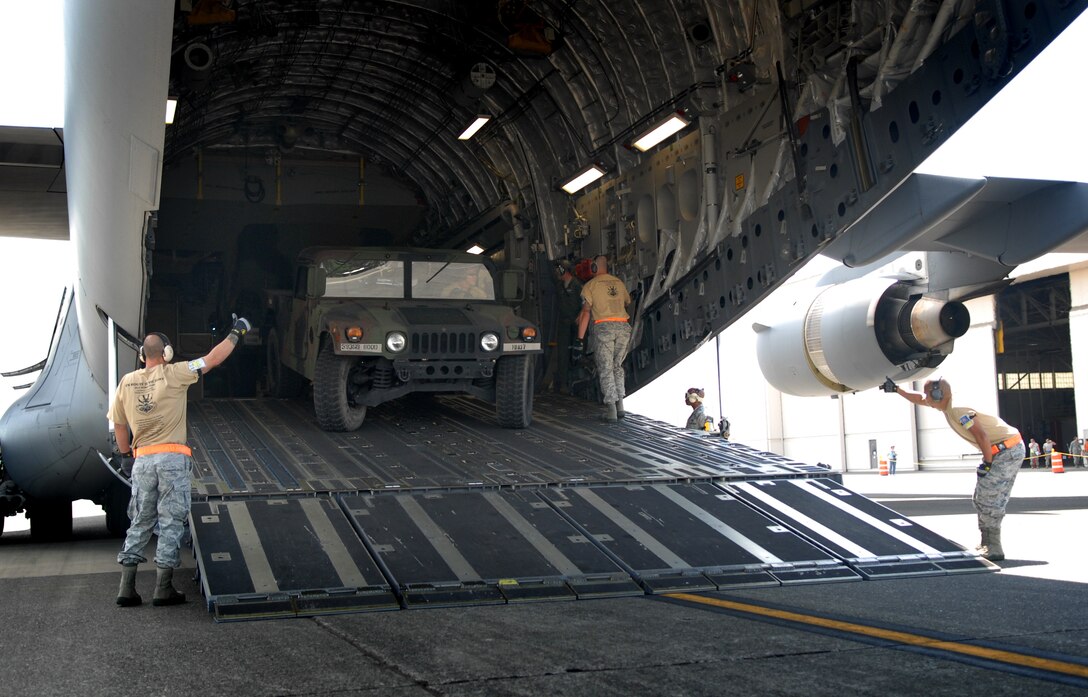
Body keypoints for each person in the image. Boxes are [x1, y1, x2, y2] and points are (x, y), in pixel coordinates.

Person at [110, 316, 251, 607]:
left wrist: (126, 456)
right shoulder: (176, 373)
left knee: (140, 520)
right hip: (172, 459)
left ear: (142, 355)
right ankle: (163, 588)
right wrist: (238, 331)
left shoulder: (127, 382)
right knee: (171, 521)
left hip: (142, 461)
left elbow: (120, 426)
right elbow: (212, 359)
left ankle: (127, 587)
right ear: (167, 353)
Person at [882, 376, 1024, 561]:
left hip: (1006, 451)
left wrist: (987, 464)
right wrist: (897, 390)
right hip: (1001, 450)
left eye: (928, 395)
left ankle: (993, 547)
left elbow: (981, 436)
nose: (926, 399)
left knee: (989, 497)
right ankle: (987, 542)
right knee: (982, 497)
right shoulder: (948, 405)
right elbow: (918, 398)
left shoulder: (958, 410)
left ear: (939, 394)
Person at [575, 255, 632, 422]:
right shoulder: (619, 283)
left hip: (604, 328)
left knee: (606, 368)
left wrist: (580, 339)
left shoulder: (590, 286)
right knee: (617, 366)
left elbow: (586, 313)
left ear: (593, 267)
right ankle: (621, 406)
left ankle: (611, 411)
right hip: (623, 328)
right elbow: (627, 302)